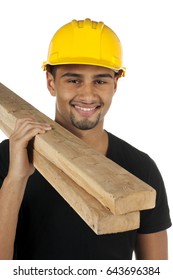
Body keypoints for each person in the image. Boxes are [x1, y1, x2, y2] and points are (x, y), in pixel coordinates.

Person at [0, 18, 171, 260]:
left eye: (100, 80)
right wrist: (15, 179)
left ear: (115, 85)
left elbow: (156, 271)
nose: (88, 95)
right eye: (73, 80)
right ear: (51, 82)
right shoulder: (9, 157)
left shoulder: (141, 169)